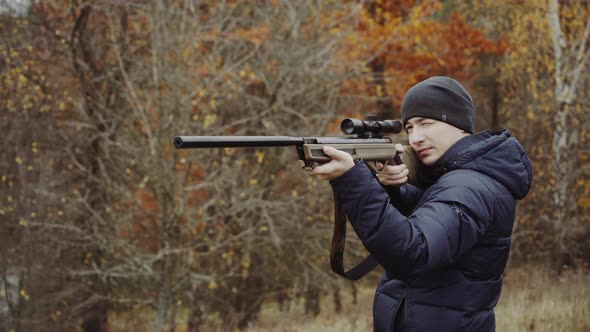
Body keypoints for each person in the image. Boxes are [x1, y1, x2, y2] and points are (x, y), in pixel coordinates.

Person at [312, 76, 533, 331]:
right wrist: (391, 190)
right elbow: (431, 215)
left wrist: (353, 180)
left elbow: (414, 251)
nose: (416, 138)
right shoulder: (450, 180)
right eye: (409, 128)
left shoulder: (470, 186)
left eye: (425, 123)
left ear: (459, 124)